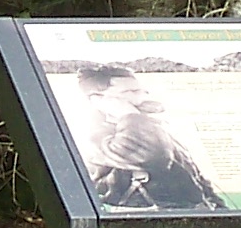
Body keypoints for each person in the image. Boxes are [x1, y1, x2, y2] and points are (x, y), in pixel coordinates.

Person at [62, 65, 225, 213]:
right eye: (130, 92)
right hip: (147, 223)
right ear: (98, 100)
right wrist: (128, 114)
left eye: (142, 91)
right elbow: (150, 155)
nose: (142, 97)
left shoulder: (148, 126)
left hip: (189, 215)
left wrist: (220, 210)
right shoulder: (91, 135)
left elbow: (194, 177)